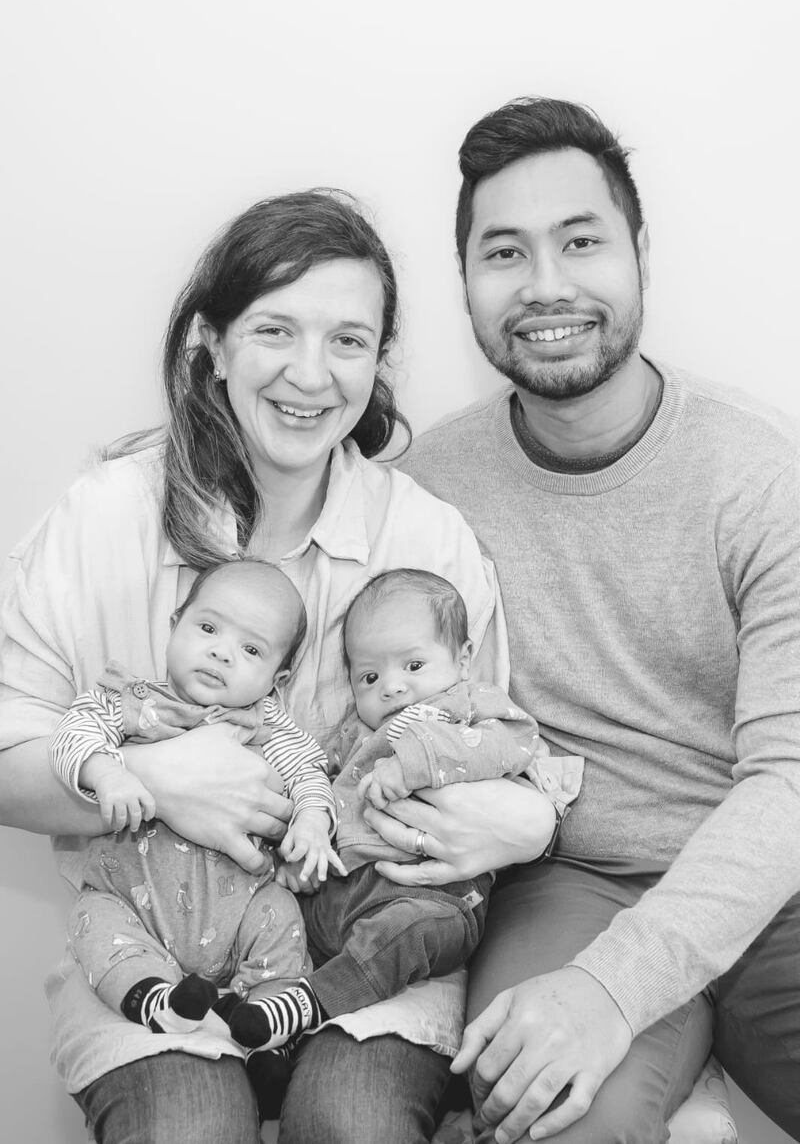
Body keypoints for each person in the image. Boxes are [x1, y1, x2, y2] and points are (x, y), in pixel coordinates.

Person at [0, 188, 557, 1144]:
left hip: (366, 968)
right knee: (185, 1129)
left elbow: (493, 751)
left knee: (354, 1123)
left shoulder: (424, 536)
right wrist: (150, 781)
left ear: (381, 362)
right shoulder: (103, 518)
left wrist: (523, 816)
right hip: (156, 940)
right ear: (212, 343)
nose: (311, 373)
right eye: (274, 330)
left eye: (348, 340)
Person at [397, 97, 800, 1143]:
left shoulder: (759, 474)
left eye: (579, 241)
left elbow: (788, 782)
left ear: (636, 255)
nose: (544, 286)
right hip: (567, 882)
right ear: (467, 285)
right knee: (539, 1112)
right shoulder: (428, 494)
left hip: (768, 881)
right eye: (503, 252)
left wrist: (615, 990)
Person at [231, 568, 581, 1052]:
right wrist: (302, 853)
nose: (392, 688)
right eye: (370, 677)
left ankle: (314, 1001)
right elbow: (320, 791)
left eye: (413, 666)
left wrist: (415, 762)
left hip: (431, 896)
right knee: (277, 913)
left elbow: (512, 744)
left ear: (462, 660)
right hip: (340, 894)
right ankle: (275, 1034)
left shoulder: (467, 705)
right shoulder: (354, 736)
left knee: (412, 931)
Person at [49, 557, 343, 1040]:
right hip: (133, 909)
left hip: (239, 914)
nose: (222, 653)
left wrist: (312, 822)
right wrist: (106, 771)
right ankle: (156, 1001)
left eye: (251, 649)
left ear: (278, 680)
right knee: (91, 918)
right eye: (208, 627)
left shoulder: (271, 733)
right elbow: (69, 735)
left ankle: (268, 1025)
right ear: (174, 625)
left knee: (282, 915)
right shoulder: (130, 703)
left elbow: (311, 776)